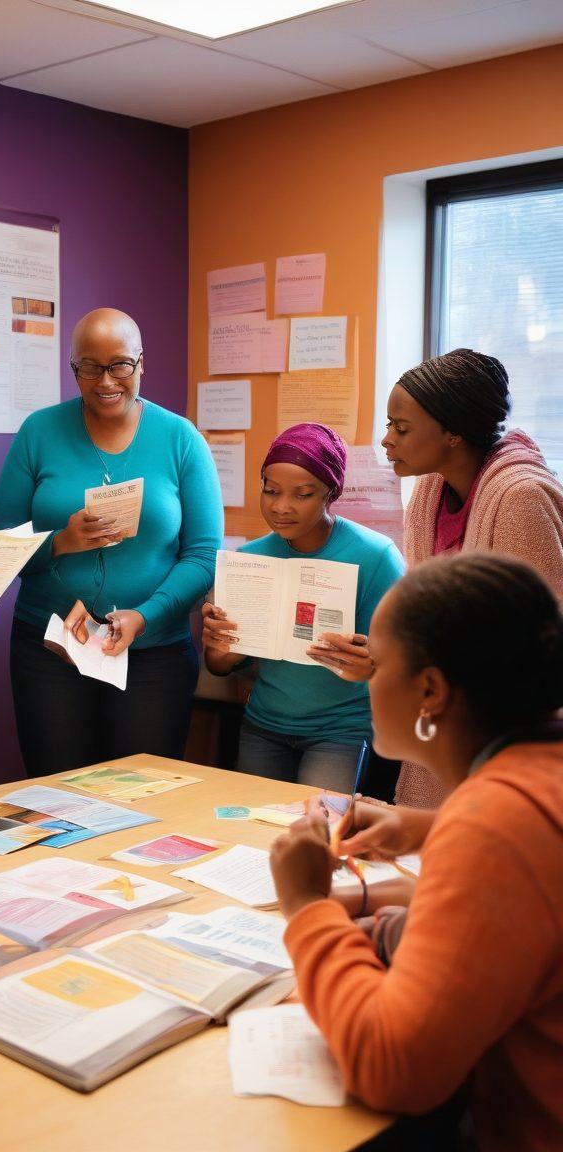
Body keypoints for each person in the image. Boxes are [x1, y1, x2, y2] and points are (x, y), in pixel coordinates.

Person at [269, 554, 563, 1151]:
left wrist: (306, 905)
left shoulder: (494, 824)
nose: (368, 680)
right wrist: (428, 828)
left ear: (429, 689)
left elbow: (394, 1068)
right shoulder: (532, 779)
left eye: (376, 664)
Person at [308, 348, 563, 806]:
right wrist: (384, 658)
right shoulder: (430, 492)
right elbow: (441, 632)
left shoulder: (522, 497)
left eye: (401, 428)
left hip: (510, 742)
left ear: (452, 433)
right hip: (450, 722)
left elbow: (543, 651)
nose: (387, 440)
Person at [0, 307, 223, 776]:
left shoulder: (181, 439)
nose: (106, 380)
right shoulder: (39, 431)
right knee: (56, 797)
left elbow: (203, 557)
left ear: (142, 362)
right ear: (73, 368)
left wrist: (145, 616)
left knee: (141, 795)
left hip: (152, 652)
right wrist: (60, 541)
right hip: (52, 650)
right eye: (89, 367)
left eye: (120, 364)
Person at [202, 423, 404, 791]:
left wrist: (371, 664)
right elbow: (218, 667)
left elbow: (403, 665)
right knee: (254, 835)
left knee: (320, 832)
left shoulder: (377, 557)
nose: (281, 507)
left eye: (303, 494)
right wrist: (221, 647)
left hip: (341, 730)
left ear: (331, 493)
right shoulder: (249, 558)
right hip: (264, 725)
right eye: (271, 491)